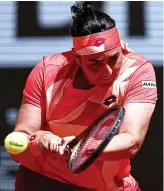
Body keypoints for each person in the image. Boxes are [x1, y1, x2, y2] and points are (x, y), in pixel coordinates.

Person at [10, 2, 157, 191]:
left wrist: (79, 149)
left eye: (114, 58)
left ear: (121, 47)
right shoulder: (47, 71)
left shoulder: (138, 72)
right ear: (77, 58)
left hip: (108, 185)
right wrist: (41, 141)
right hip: (46, 180)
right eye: (95, 63)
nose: (107, 70)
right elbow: (19, 141)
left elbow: (131, 141)